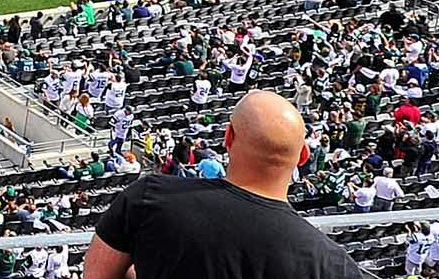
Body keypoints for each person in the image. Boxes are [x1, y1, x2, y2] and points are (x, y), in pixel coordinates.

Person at [83, 89, 362, 279]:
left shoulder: (148, 198)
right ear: (304, 156)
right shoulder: (331, 264)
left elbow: (97, 274)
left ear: (228, 137)